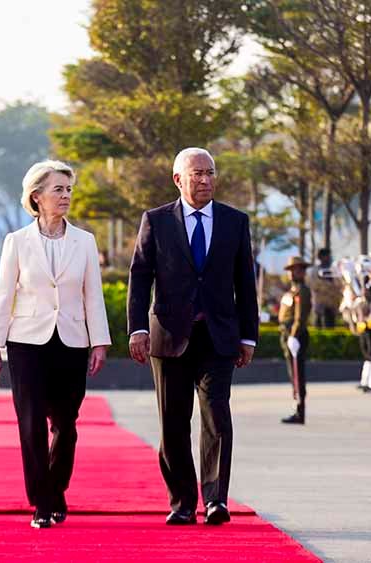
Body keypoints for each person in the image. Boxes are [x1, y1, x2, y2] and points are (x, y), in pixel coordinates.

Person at [127, 147, 259, 526]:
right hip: (168, 338)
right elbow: (140, 277)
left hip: (218, 337)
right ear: (178, 179)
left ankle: (216, 499)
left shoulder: (235, 221)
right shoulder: (156, 221)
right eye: (197, 173)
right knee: (173, 421)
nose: (205, 180)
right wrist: (137, 328)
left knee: (217, 415)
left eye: (210, 173)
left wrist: (248, 336)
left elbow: (245, 283)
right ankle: (183, 501)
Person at [0, 160, 111, 529]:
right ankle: (43, 500)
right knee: (31, 423)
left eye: (69, 189)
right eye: (58, 189)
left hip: (71, 341)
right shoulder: (17, 242)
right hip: (26, 342)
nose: (66, 196)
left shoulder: (84, 241)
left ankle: (56, 487)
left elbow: (94, 296)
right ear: (36, 196)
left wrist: (99, 342)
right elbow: (3, 294)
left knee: (67, 424)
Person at [278, 256, 311, 424]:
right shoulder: (291, 291)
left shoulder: (302, 291)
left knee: (298, 375)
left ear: (302, 272)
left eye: (296, 269)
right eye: (291, 270)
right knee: (293, 375)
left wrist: (293, 335)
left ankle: (300, 410)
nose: (292, 273)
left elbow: (300, 317)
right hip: (287, 334)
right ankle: (296, 407)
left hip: (295, 336)